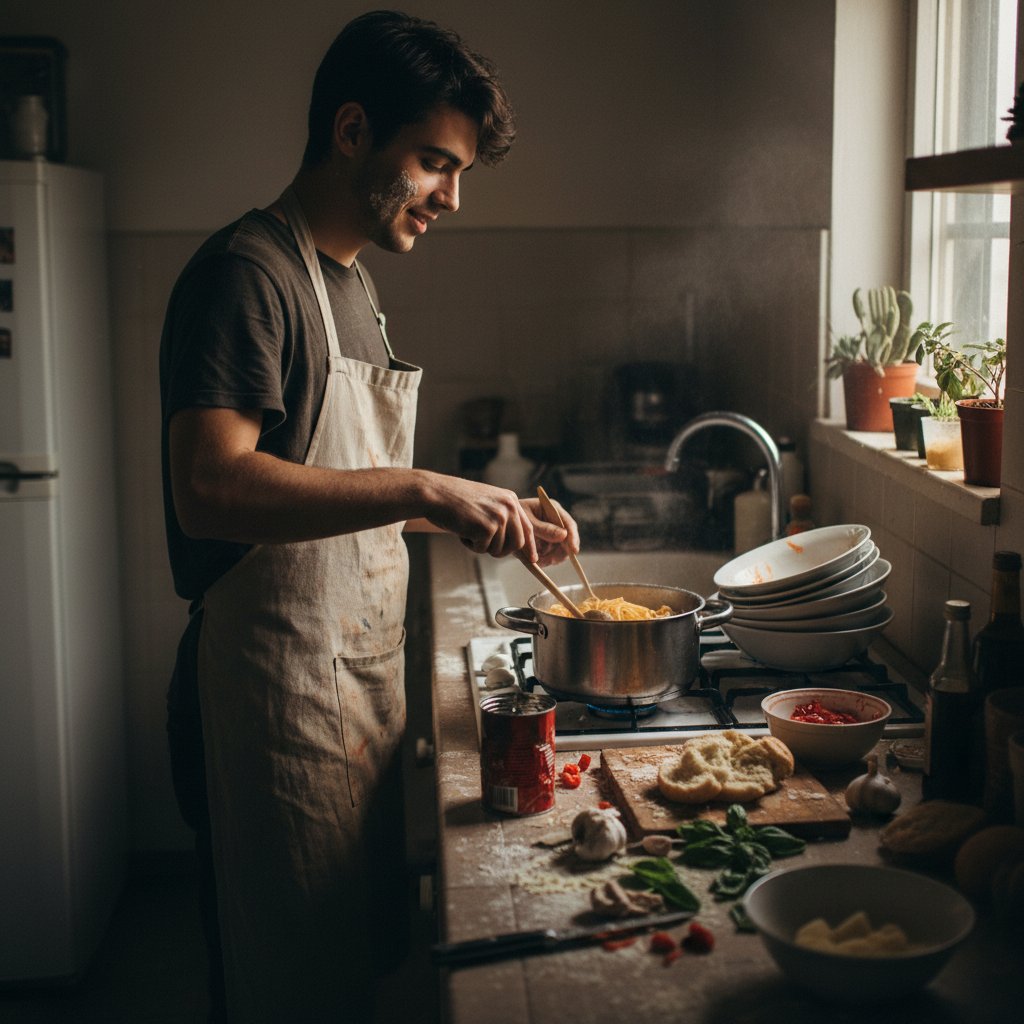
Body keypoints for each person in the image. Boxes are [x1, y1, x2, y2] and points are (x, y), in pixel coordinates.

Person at [159, 11, 578, 1022]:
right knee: (286, 990)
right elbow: (210, 488)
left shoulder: (349, 283)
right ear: (352, 131)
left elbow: (336, 485)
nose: (453, 197)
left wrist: (484, 511)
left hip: (347, 690)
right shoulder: (248, 277)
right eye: (436, 162)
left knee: (348, 977)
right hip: (271, 705)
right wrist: (424, 487)